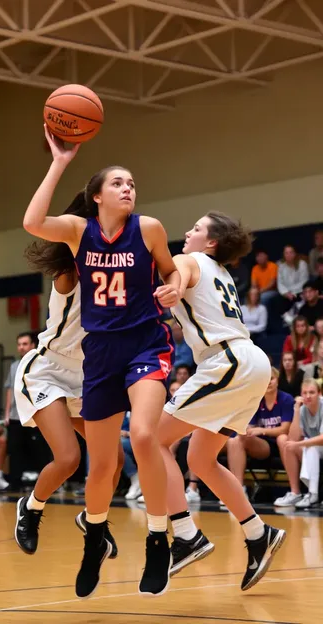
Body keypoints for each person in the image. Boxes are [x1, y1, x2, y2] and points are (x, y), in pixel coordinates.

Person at [23, 127, 179, 598]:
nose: (128, 188)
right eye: (118, 183)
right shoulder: (78, 231)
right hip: (101, 353)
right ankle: (94, 537)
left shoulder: (148, 229)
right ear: (97, 196)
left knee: (147, 436)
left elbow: (171, 270)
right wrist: (59, 161)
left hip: (146, 344)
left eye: (132, 183)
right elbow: (32, 222)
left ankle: (158, 540)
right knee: (101, 466)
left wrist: (172, 285)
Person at [157, 212, 286, 592]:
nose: (187, 232)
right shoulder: (221, 271)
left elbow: (178, 274)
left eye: (196, 229)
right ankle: (257, 532)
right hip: (252, 362)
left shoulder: (188, 260)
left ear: (211, 242)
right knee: (200, 459)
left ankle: (184, 534)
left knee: (152, 439)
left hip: (225, 361)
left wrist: (174, 288)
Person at [13, 222, 124, 559]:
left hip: (84, 376)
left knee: (114, 460)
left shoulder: (117, 278)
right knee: (69, 458)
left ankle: (93, 521)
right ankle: (30, 509)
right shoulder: (69, 273)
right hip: (47, 370)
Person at [226, 368, 294, 490]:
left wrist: (261, 430)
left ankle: (294, 490)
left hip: (280, 443)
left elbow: (284, 430)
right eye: (266, 379)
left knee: (282, 438)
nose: (268, 382)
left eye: (272, 379)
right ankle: (238, 489)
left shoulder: (286, 399)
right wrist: (246, 430)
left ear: (277, 381)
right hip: (262, 445)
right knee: (234, 441)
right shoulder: (256, 400)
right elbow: (251, 427)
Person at [274, 379, 323, 508]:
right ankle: (296, 493)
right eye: (304, 393)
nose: (307, 396)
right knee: (289, 446)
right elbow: (293, 438)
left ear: (319, 393)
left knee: (308, 445)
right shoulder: (302, 410)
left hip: (319, 447)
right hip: (312, 451)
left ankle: (313, 494)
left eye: (311, 392)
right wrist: (296, 410)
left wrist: (301, 444)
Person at [4, 332, 38, 488]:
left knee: (36, 449)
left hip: (36, 414)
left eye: (25, 344)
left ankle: (40, 482)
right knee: (15, 449)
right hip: (16, 415)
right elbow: (10, 389)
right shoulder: (14, 366)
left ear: (33, 345)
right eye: (19, 344)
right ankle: (15, 481)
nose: (21, 347)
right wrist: (6, 414)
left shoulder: (41, 364)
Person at [277, 245, 309, 309]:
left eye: (291, 252)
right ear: (284, 255)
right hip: (285, 294)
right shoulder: (281, 266)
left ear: (295, 254)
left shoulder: (302, 264)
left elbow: (304, 281)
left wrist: (291, 292)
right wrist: (286, 293)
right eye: (286, 253)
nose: (289, 255)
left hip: (299, 292)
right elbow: (280, 283)